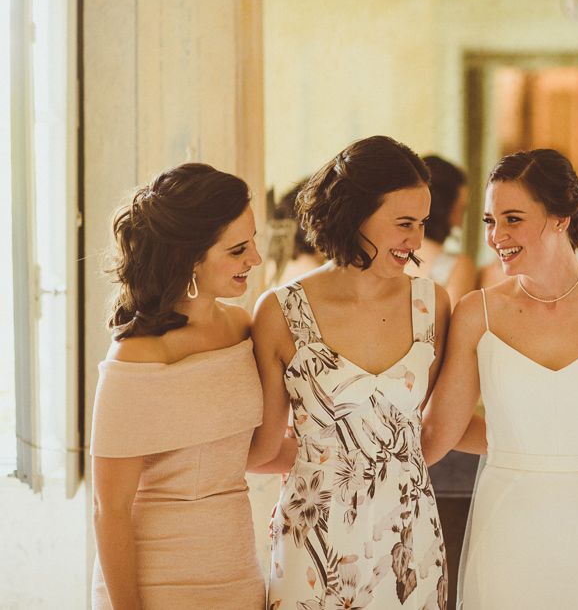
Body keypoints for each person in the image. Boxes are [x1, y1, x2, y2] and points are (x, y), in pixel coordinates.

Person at [420, 149, 578, 609]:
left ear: (562, 217)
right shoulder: (477, 313)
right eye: (490, 221)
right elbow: (441, 431)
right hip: (509, 516)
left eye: (513, 218)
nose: (498, 236)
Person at [252, 135, 450, 609]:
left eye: (422, 224)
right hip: (313, 542)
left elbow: (432, 430)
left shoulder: (432, 305)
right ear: (354, 212)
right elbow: (261, 446)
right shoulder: (281, 311)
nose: (417, 241)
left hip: (410, 538)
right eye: (404, 223)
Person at [90, 164, 265, 609]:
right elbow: (109, 510)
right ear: (190, 258)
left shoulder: (244, 327)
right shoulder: (136, 358)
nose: (256, 260)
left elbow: (260, 450)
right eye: (238, 249)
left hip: (238, 575)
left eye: (253, 242)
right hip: (161, 584)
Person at [406, 155, 476, 307]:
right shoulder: (458, 266)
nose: (461, 222)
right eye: (462, 209)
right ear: (445, 206)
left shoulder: (388, 253)